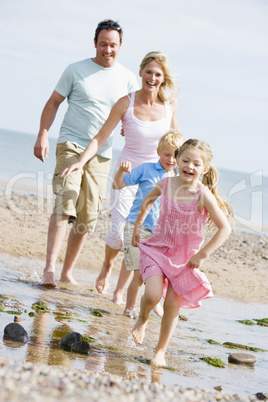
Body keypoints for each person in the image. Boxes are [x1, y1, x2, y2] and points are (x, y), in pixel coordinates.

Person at [61, 51, 180, 298]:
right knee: (118, 233)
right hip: (126, 175)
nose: (152, 77)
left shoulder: (169, 106)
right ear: (141, 72)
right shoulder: (125, 103)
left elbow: (178, 143)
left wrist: (193, 170)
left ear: (163, 78)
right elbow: (101, 137)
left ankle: (120, 291)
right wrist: (81, 162)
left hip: (156, 179)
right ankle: (107, 266)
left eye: (158, 74)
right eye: (149, 72)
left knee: (140, 237)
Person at [33, 19, 139, 287]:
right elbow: (53, 102)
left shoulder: (128, 78)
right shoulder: (76, 70)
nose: (107, 50)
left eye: (112, 45)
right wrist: (43, 134)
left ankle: (67, 271)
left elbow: (131, 115)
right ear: (95, 43)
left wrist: (129, 130)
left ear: (120, 46)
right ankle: (48, 270)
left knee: (87, 215)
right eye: (103, 44)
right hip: (71, 143)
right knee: (65, 202)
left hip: (101, 153)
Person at [131, 139, 234, 367]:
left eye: (196, 163)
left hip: (184, 261)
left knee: (171, 306)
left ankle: (160, 351)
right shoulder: (166, 184)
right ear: (176, 161)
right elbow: (148, 201)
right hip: (158, 248)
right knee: (152, 295)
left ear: (204, 169)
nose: (190, 166)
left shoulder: (203, 195)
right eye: (185, 160)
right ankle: (142, 317)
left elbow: (224, 228)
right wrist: (137, 227)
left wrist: (202, 255)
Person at [112, 131, 185, 318]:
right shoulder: (146, 169)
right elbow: (117, 185)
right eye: (166, 154)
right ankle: (129, 308)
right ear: (158, 151)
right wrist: (121, 170)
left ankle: (153, 302)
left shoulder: (179, 177)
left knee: (157, 274)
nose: (170, 159)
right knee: (138, 273)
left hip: (161, 233)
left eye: (175, 155)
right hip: (137, 227)